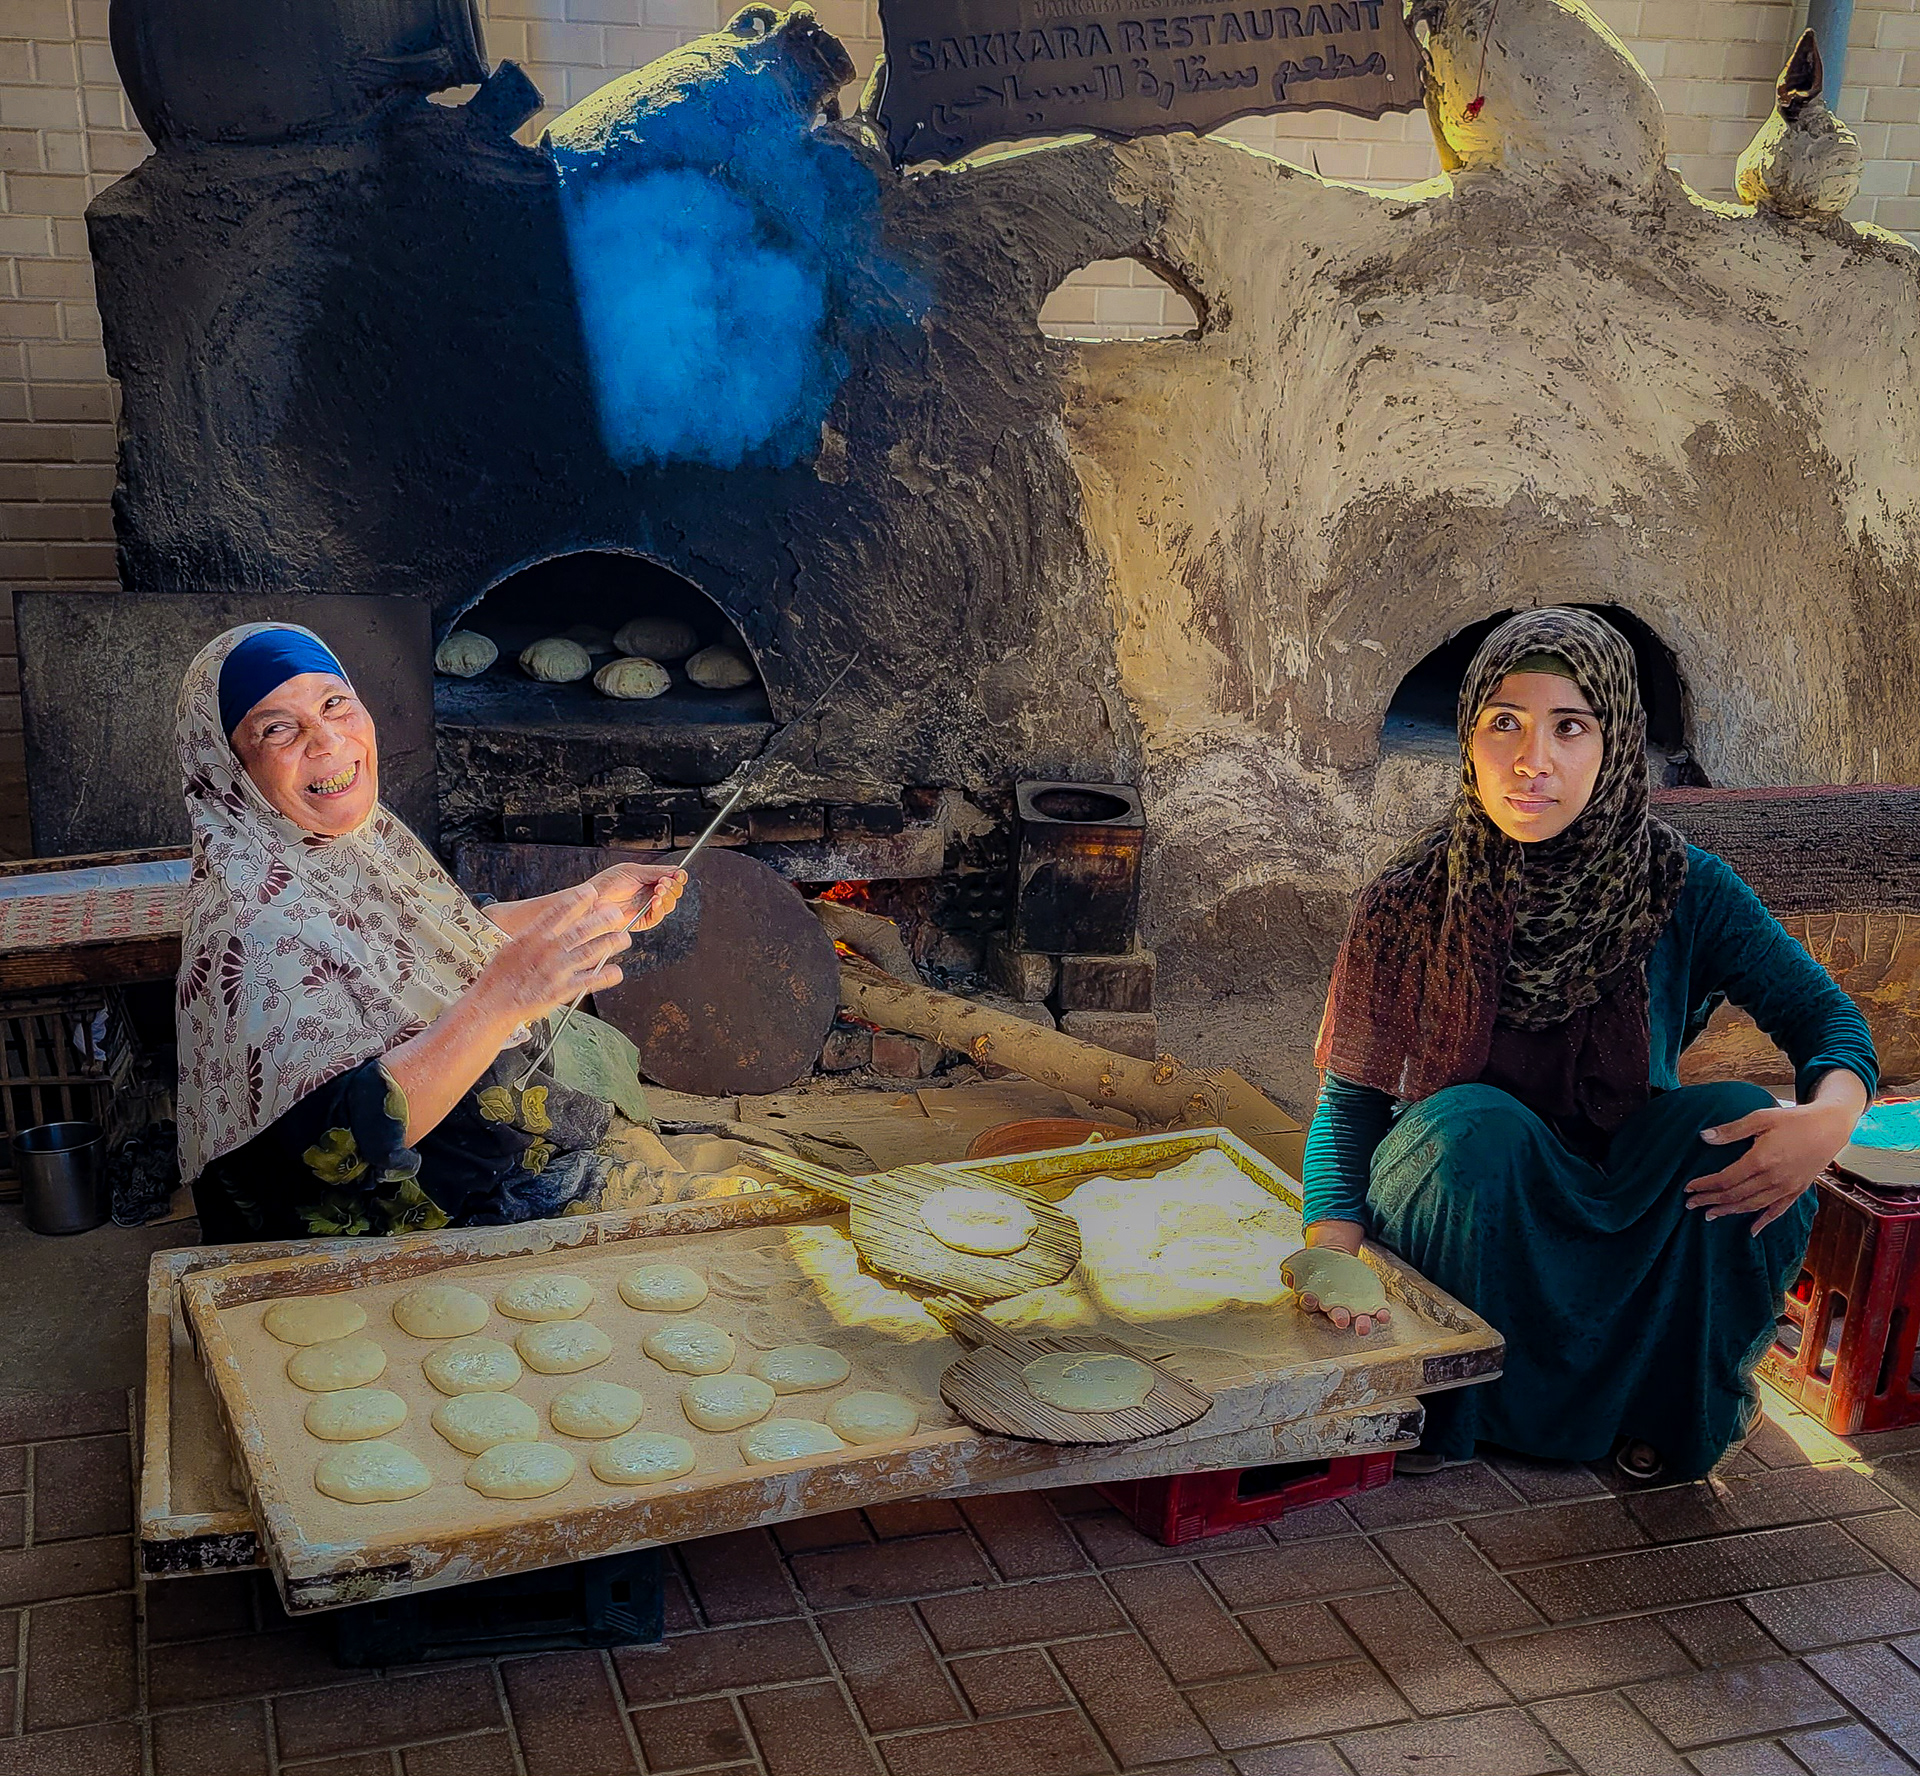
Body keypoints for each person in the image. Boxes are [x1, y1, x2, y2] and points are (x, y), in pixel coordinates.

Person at [1300, 607, 1875, 1482]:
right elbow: (1350, 1106)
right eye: (1505, 725)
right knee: (1474, 1134)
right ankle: (1457, 1406)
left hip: (1621, 1190)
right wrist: (1330, 1256)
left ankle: (1660, 1409)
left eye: (1570, 726)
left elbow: (1827, 1022)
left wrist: (1832, 1117)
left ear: (1615, 743)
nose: (1534, 762)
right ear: (1467, 741)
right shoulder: (1413, 900)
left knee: (1741, 1121)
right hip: (1473, 1208)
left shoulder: (1680, 885)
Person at [176, 622, 688, 1242]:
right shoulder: (247, 927)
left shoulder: (338, 844)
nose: (327, 739)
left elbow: (434, 940)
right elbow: (343, 1149)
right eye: (278, 728)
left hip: (459, 1152)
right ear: (230, 767)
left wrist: (585, 901)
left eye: (335, 703)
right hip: (375, 1222)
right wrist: (499, 1001)